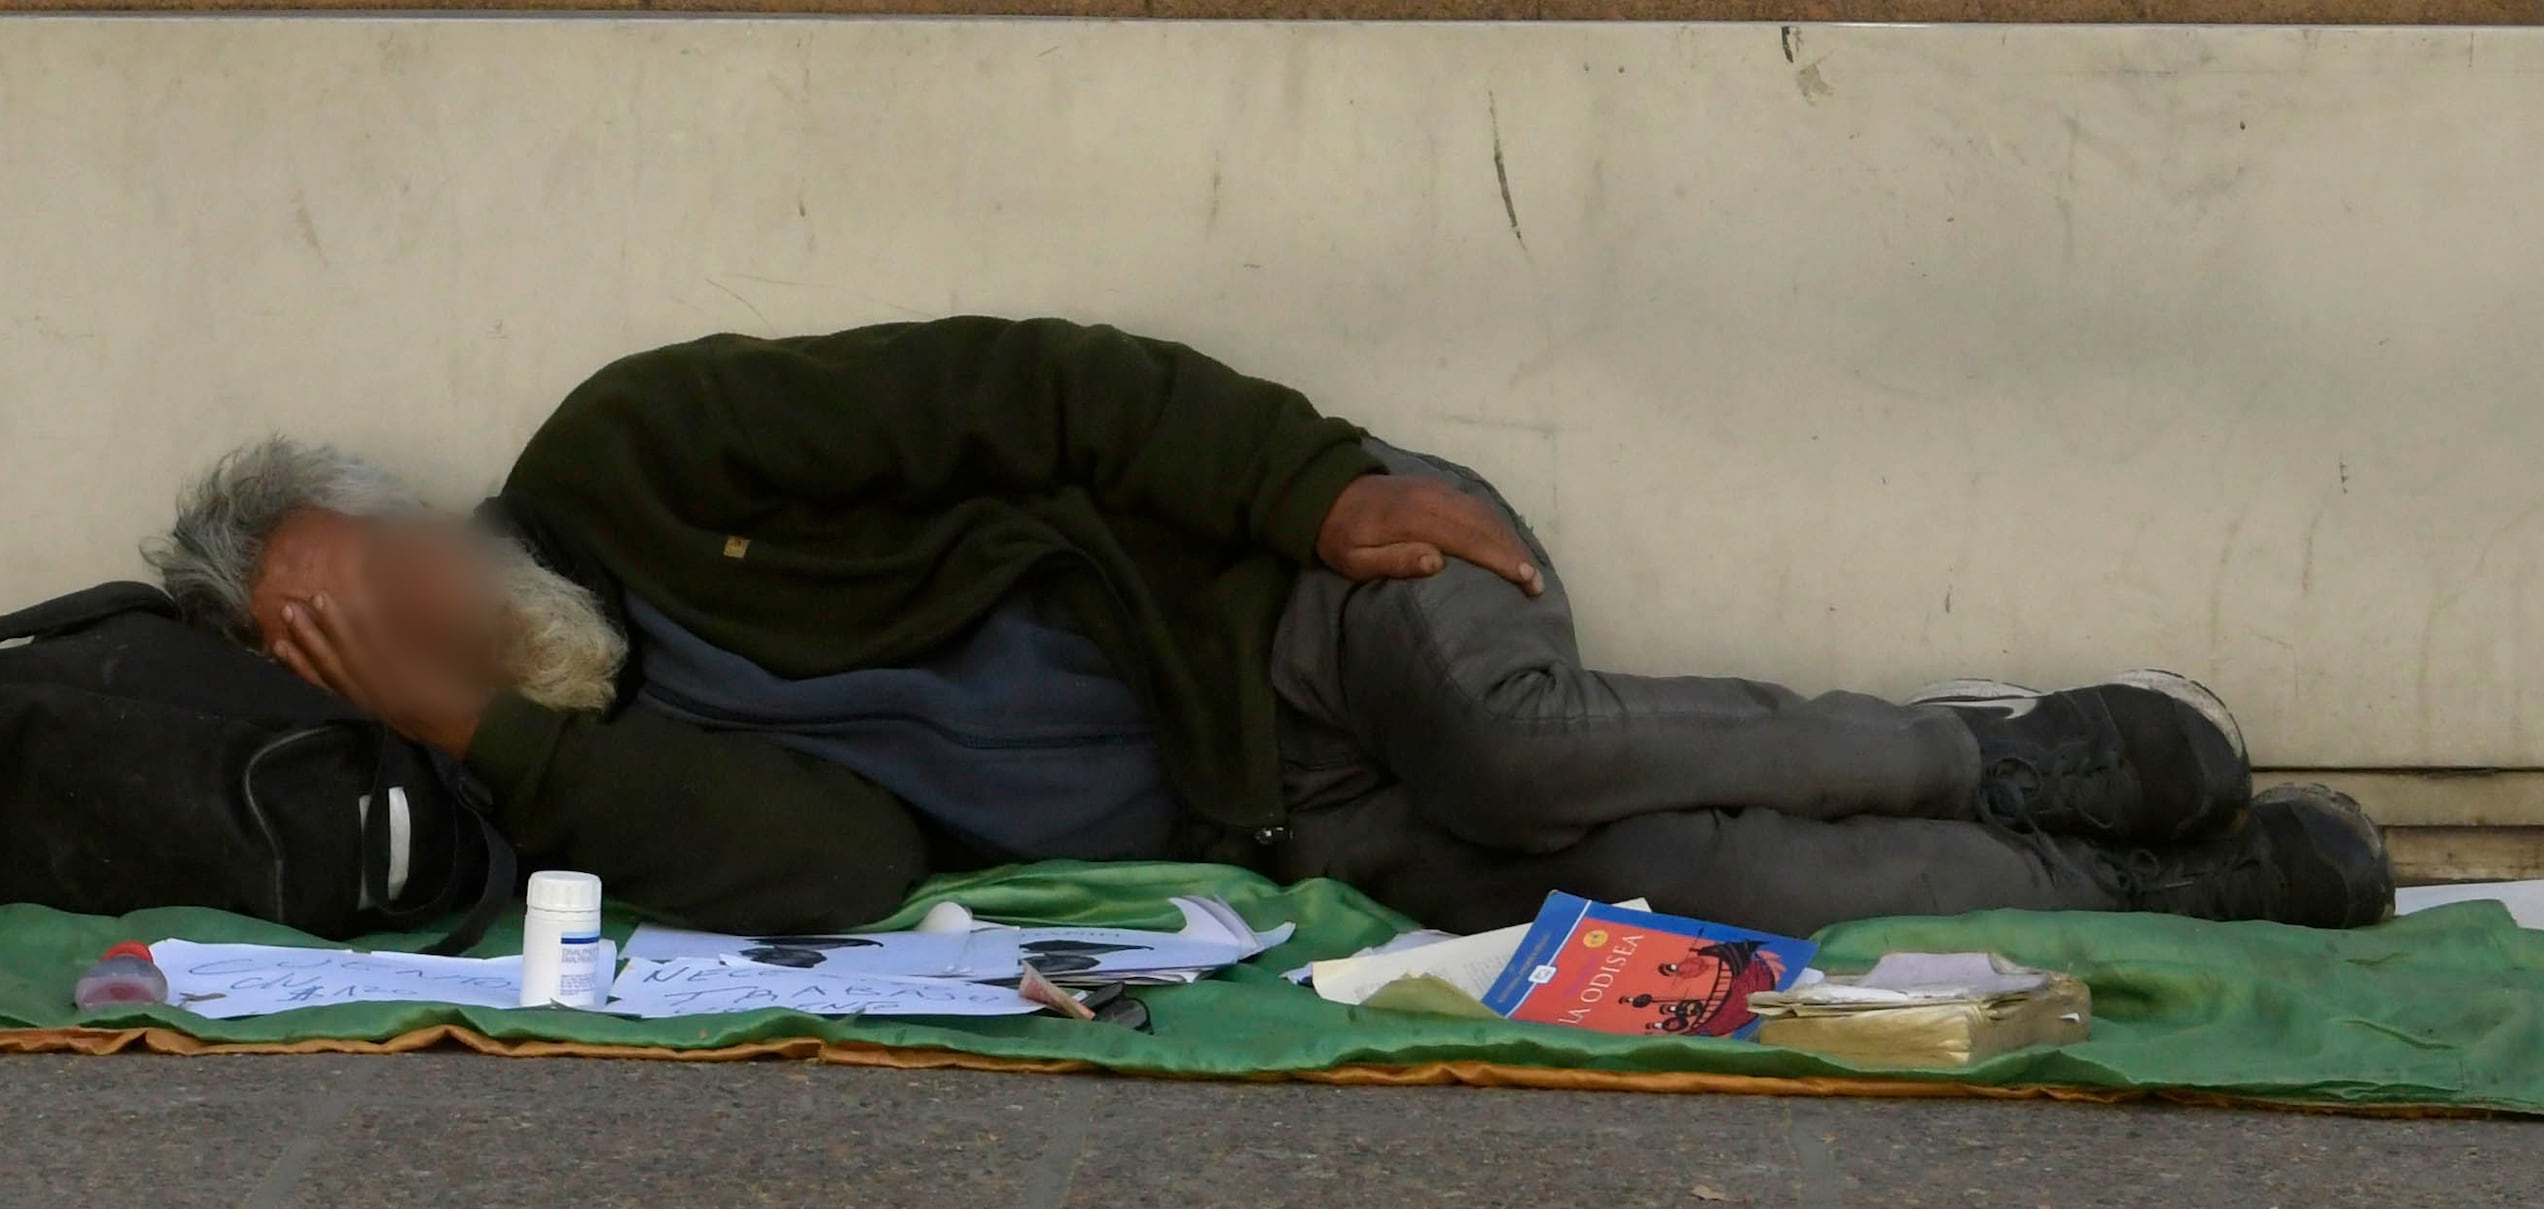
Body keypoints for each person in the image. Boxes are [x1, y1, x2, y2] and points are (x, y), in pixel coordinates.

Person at [152, 315, 2393, 939]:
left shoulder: (637, 446)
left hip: (1316, 613)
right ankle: (2144, 876)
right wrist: (488, 739)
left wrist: (1320, 485)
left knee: (1526, 758)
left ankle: (1998, 750)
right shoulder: (566, 790)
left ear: (403, 509)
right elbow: (845, 877)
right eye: (351, 648)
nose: (418, 621)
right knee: (1703, 895)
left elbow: (1034, 382)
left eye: (385, 578)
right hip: (1288, 823)